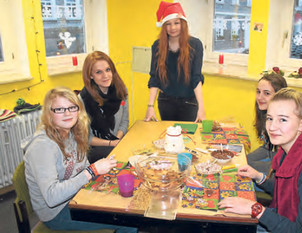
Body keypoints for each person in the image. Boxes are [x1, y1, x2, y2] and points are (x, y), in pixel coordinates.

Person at [218, 88, 302, 232]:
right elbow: (288, 192)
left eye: (283, 119)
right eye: (270, 118)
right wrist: (259, 177)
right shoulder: (289, 150)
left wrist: (256, 209)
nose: (272, 127)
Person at [23, 87, 137, 232]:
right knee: (127, 221)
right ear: (49, 113)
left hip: (77, 196)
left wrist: (102, 174)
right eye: (59, 109)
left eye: (72, 107)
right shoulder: (42, 146)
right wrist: (92, 171)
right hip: (57, 213)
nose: (67, 113)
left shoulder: (72, 132)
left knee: (124, 203)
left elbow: (82, 167)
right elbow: (52, 197)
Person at [145, 1, 205, 122]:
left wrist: (201, 107)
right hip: (166, 102)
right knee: (169, 136)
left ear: (183, 24)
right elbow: (155, 78)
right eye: (168, 24)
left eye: (176, 23)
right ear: (163, 26)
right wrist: (150, 106)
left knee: (188, 137)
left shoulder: (195, 45)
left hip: (189, 102)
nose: (172, 28)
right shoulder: (157, 46)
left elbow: (196, 78)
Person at [80, 51, 129, 163]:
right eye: (98, 72)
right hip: (96, 149)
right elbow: (87, 138)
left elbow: (125, 121)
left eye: (108, 70)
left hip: (118, 140)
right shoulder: (82, 100)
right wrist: (111, 144)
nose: (105, 76)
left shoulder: (121, 90)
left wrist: (117, 139)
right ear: (90, 75)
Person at [247, 72, 287, 174]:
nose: (260, 97)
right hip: (271, 153)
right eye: (258, 92)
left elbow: (284, 162)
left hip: (284, 165)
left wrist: (247, 164)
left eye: (267, 93)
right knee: (242, 161)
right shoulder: (266, 114)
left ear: (279, 96)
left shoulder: (286, 121)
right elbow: (267, 147)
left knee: (243, 167)